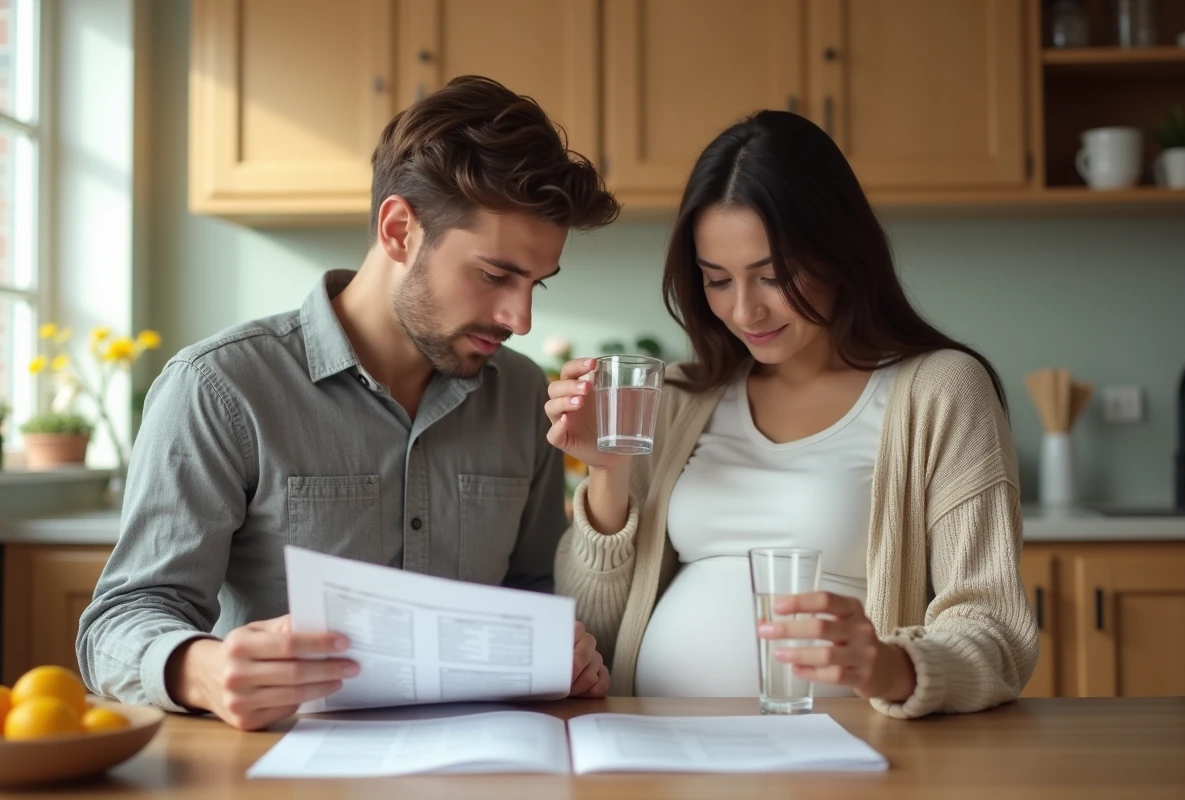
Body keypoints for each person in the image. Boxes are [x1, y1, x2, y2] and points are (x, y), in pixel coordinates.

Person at [77, 76, 621, 731]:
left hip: (484, 765)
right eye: (495, 274)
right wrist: (205, 669)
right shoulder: (220, 389)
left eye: (535, 282)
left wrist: (566, 647)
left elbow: (533, 587)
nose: (521, 317)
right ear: (399, 230)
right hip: (279, 763)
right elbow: (118, 622)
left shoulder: (522, 394)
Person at [546, 110, 1037, 719]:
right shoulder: (678, 398)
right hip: (658, 752)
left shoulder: (939, 391)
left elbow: (996, 630)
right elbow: (591, 630)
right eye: (717, 280)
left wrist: (893, 666)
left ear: (840, 252)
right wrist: (609, 474)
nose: (745, 310)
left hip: (841, 754)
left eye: (773, 276)